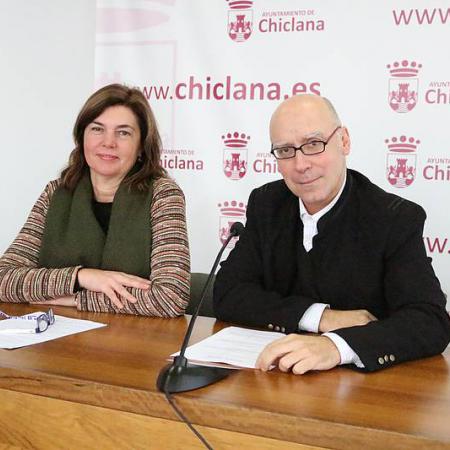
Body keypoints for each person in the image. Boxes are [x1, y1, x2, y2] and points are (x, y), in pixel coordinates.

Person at [214, 94, 450, 373]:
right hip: (277, 380)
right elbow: (228, 293)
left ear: (344, 141)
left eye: (314, 144)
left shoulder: (393, 217)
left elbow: (429, 320)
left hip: (365, 392)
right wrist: (319, 318)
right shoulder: (266, 204)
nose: (301, 164)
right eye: (286, 150)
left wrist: (336, 346)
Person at [0, 84, 190, 317]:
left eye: (123, 133)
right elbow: (4, 278)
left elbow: (171, 298)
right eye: (97, 129)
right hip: (56, 345)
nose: (108, 142)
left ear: (141, 146)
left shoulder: (162, 195)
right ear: (82, 138)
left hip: (133, 345)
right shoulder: (55, 193)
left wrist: (75, 298)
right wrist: (82, 277)